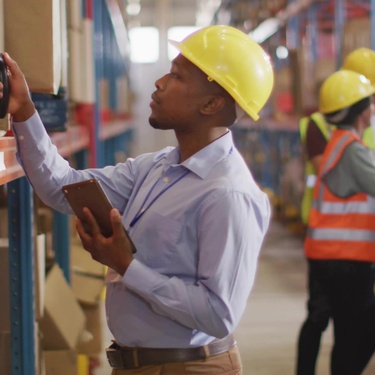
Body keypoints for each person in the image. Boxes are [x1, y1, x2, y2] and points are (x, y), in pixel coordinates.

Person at [0, 25, 274, 374]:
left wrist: (128, 267)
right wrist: (23, 110)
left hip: (189, 368)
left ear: (211, 103)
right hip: (135, 364)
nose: (159, 82)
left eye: (177, 76)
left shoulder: (228, 194)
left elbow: (218, 315)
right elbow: (61, 186)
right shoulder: (156, 168)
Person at [296, 47, 375, 375]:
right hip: (345, 257)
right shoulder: (351, 149)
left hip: (331, 251)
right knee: (352, 332)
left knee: (348, 331)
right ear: (361, 110)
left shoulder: (343, 141)